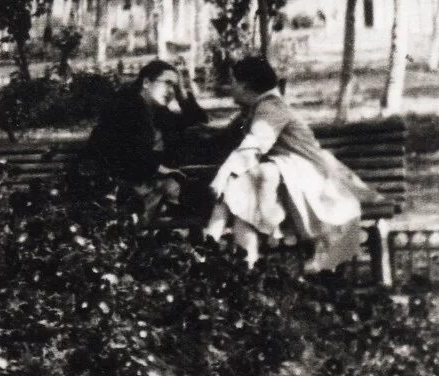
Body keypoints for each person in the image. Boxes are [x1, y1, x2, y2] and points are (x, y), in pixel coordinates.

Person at [206, 56, 367, 270]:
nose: (230, 87)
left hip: (311, 180)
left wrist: (223, 174)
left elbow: (254, 144)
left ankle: (228, 259)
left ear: (245, 85)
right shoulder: (259, 106)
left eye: (233, 81)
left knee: (240, 190)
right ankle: (228, 258)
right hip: (285, 176)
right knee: (241, 196)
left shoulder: (271, 108)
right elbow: (228, 138)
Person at [80, 58, 212, 217]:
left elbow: (198, 122)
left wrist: (183, 95)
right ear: (147, 82)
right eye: (167, 83)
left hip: (141, 182)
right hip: (112, 184)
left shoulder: (157, 111)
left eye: (174, 86)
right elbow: (126, 152)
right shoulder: (125, 106)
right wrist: (161, 169)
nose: (171, 91)